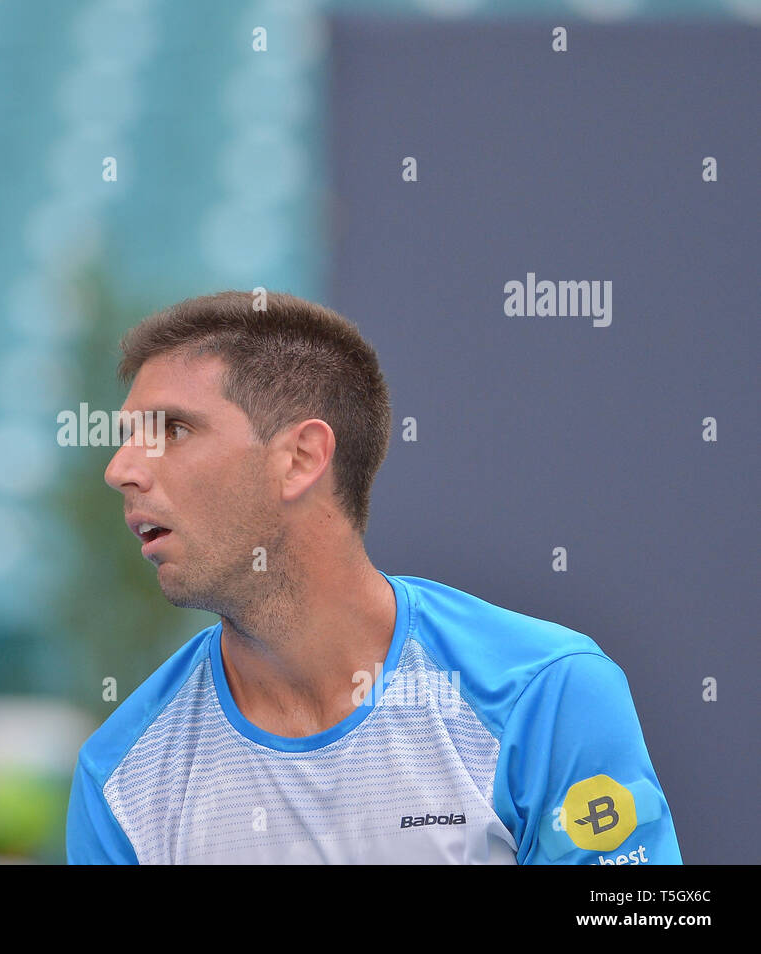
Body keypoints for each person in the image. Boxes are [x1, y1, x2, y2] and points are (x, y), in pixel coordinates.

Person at [66, 290, 681, 864]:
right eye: (125, 440)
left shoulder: (547, 694)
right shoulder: (119, 777)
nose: (120, 470)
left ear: (301, 458)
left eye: (172, 430)